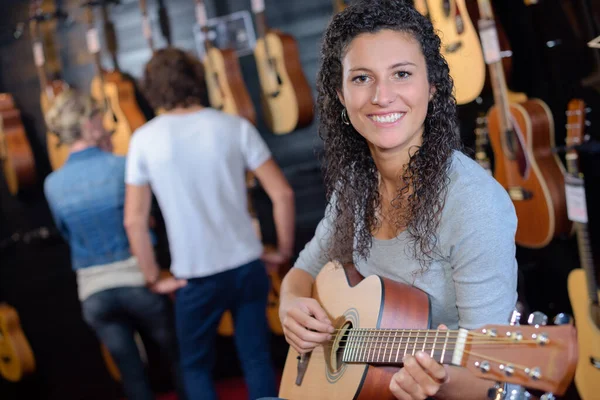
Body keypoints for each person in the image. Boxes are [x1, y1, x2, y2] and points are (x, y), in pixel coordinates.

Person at [277, 1, 519, 399]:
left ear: (432, 86)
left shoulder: (474, 203)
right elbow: (302, 273)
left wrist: (437, 386)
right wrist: (290, 307)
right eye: (361, 79)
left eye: (402, 74)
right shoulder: (357, 183)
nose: (381, 96)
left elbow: (491, 373)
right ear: (340, 94)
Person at [123, 47, 295, 400]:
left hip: (194, 274)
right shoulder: (234, 126)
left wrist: (153, 277)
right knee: (258, 359)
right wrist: (283, 251)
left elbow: (134, 221)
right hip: (247, 263)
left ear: (152, 88)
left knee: (196, 366)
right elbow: (283, 194)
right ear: (197, 79)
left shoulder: (144, 139)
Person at [43, 89, 185, 400]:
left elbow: (66, 232)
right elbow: (147, 219)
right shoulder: (122, 166)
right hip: (138, 281)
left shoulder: (52, 184)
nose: (105, 123)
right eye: (98, 117)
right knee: (181, 362)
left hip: (93, 292)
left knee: (132, 374)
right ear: (88, 124)